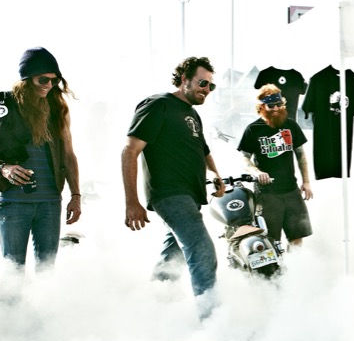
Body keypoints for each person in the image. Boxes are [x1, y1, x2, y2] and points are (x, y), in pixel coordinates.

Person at [121, 56, 225, 317]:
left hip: (190, 196)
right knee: (202, 250)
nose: (207, 90)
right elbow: (130, 150)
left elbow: (203, 150)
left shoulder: (192, 114)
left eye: (211, 86)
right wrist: (131, 202)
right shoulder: (158, 105)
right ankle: (212, 322)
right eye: (202, 83)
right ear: (184, 79)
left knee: (173, 256)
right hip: (169, 193)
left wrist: (215, 173)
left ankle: (153, 309)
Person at [0, 47, 82, 290]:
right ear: (26, 78)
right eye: (43, 80)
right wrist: (3, 168)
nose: (49, 85)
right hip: (13, 203)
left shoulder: (58, 108)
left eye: (54, 80)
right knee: (12, 273)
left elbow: (68, 154)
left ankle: (42, 315)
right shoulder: (0, 103)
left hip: (50, 203)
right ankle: (8, 317)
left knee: (47, 273)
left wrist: (76, 195)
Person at [237, 84, 313, 249]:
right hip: (267, 192)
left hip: (291, 189)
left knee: (297, 237)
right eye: (271, 105)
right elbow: (244, 158)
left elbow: (301, 155)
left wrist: (306, 182)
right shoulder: (253, 129)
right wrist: (256, 172)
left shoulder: (291, 126)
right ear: (262, 107)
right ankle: (277, 266)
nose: (276, 109)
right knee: (270, 240)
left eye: (279, 104)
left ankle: (294, 264)